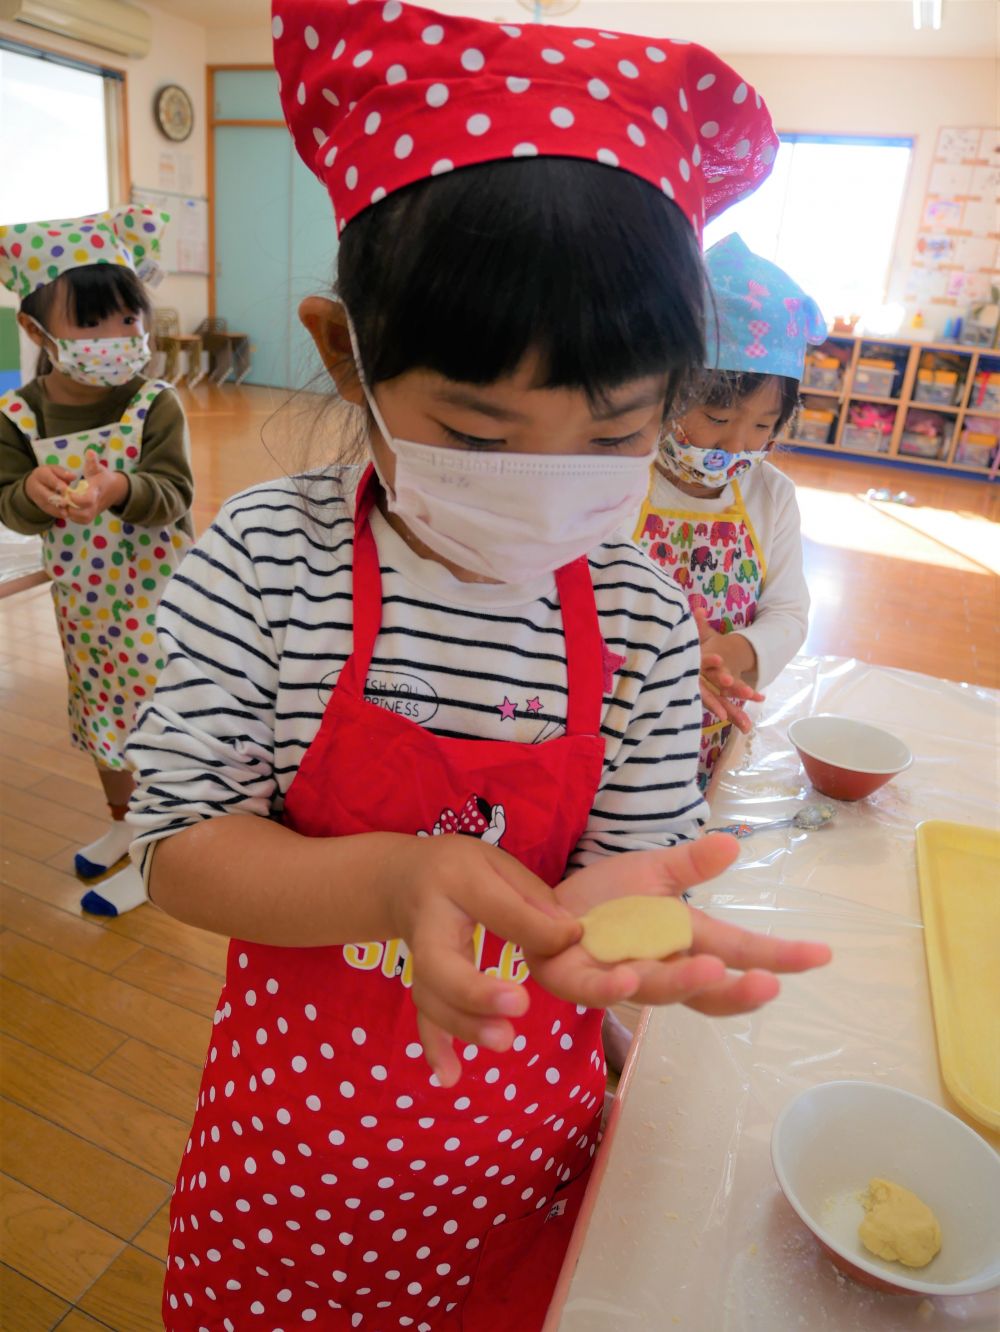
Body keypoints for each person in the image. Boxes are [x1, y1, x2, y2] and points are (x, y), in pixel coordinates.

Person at [127, 4, 831, 1328]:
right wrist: (393, 878)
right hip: (289, 1176)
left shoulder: (639, 615)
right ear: (347, 353)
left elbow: (625, 859)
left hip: (518, 1170)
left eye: (616, 432)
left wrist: (607, 929)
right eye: (483, 436)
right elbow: (177, 849)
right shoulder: (267, 566)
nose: (549, 491)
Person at [0, 206, 194, 916]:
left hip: (159, 604)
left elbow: (174, 494)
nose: (118, 340)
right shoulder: (19, 416)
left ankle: (161, 853)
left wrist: (120, 488)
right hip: (83, 610)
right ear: (37, 331)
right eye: (92, 325)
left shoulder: (153, 405)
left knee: (158, 726)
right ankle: (126, 827)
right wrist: (30, 492)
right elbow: (9, 507)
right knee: (102, 719)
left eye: (129, 321)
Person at [634, 233, 826, 788]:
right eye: (717, 419)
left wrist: (733, 653)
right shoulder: (621, 476)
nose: (737, 444)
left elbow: (788, 612)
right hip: (615, 716)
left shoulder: (772, 495)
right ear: (663, 391)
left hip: (713, 729)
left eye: (763, 425)